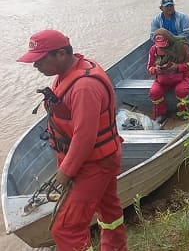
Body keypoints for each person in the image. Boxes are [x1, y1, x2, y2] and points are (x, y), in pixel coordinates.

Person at [17, 30, 127, 251]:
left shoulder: (84, 87)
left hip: (93, 164)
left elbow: (84, 137)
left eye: (39, 60)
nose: (35, 66)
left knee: (66, 228)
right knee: (109, 211)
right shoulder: (73, 70)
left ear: (60, 54)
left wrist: (65, 172)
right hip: (100, 158)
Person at [147, 28, 189, 123]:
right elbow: (149, 67)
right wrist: (155, 70)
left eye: (163, 45)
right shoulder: (153, 50)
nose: (162, 48)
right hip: (162, 79)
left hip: (181, 77)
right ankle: (161, 114)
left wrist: (178, 67)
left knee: (181, 91)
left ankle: (183, 112)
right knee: (154, 92)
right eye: (159, 46)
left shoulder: (181, 47)